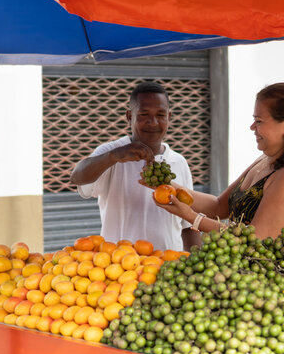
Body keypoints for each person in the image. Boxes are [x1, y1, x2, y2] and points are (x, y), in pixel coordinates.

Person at [154, 82, 284, 240]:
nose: (252, 127)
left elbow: (256, 238)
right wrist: (164, 183)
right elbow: (219, 206)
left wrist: (192, 217)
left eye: (259, 121)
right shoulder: (264, 160)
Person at [70, 81, 199, 251]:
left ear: (169, 117)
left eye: (160, 115)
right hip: (119, 269)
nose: (153, 122)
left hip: (168, 267)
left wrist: (195, 263)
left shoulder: (178, 162)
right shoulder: (111, 152)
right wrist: (113, 157)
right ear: (129, 117)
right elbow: (77, 177)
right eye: (144, 114)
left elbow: (187, 223)